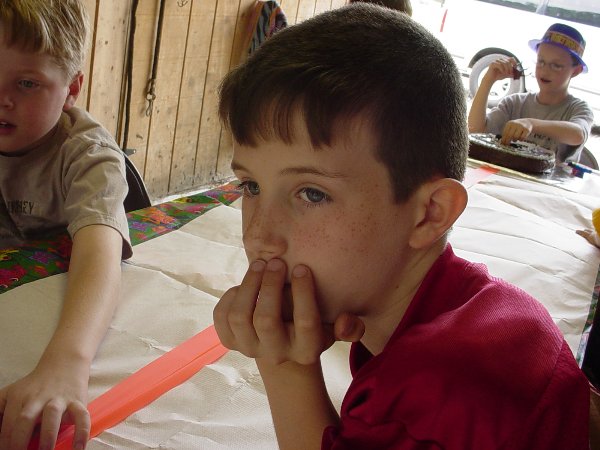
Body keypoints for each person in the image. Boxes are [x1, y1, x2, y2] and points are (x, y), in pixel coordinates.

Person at [214, 4, 590, 449]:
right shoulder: (470, 307)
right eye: (251, 186)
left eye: (312, 194)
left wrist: (286, 369)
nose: (258, 236)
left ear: (431, 213)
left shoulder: (440, 391)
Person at [0, 1, 132, 449]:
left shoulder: (88, 155)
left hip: (57, 320)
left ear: (72, 88)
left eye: (27, 83)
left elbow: (99, 254)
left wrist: (68, 361)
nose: (2, 99)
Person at [468, 23, 594, 163]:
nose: (545, 71)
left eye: (556, 66)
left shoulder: (578, 109)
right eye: (541, 62)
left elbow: (578, 134)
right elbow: (475, 131)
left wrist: (531, 124)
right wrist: (487, 81)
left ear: (575, 71)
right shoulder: (514, 103)